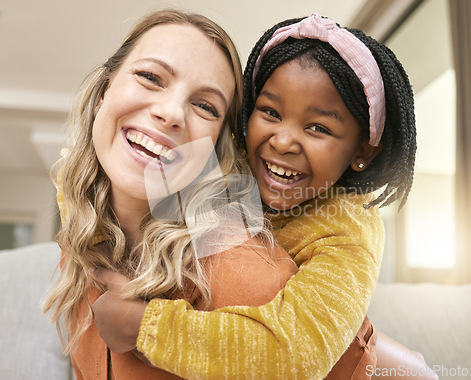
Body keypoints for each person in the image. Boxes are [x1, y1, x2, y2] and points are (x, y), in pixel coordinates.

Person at [87, 13, 437, 380]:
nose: (283, 141)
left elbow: (296, 354)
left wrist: (146, 327)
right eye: (270, 112)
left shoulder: (349, 230)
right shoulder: (232, 159)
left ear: (361, 153)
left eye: (318, 127)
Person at [42, 8, 304, 380]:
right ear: (104, 92)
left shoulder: (243, 273)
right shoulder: (79, 249)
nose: (170, 113)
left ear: (214, 148)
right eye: (150, 77)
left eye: (205, 106)